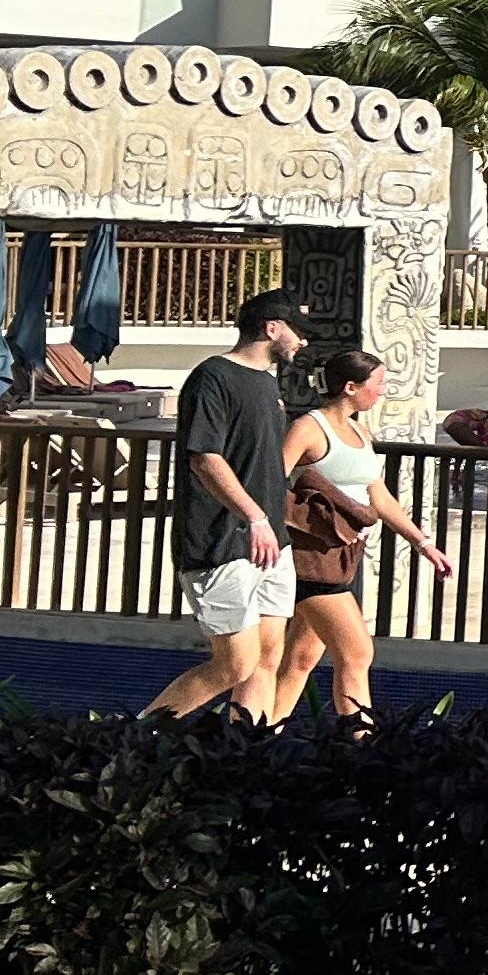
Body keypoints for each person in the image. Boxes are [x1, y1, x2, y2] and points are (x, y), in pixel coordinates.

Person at [146, 287, 308, 719]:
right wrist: (252, 515)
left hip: (270, 540)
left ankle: (245, 752)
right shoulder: (213, 377)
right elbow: (204, 457)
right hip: (220, 539)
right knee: (235, 662)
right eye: (297, 330)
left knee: (268, 657)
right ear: (272, 328)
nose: (302, 340)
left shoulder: (268, 382)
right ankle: (136, 740)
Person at [272, 345, 449, 729]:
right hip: (311, 559)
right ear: (351, 387)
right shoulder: (308, 428)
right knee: (356, 653)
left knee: (301, 659)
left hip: (342, 556)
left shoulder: (358, 430)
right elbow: (271, 484)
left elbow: (377, 495)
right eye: (379, 383)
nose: (383, 390)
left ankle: (258, 738)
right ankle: (362, 749)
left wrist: (423, 543)